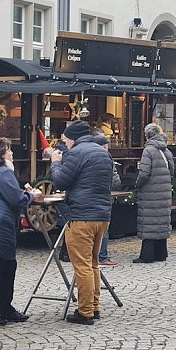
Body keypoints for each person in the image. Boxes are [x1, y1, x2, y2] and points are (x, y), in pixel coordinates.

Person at [50, 120, 113, 325]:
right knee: (93, 263)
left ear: (72, 138)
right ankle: (94, 306)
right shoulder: (103, 153)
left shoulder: (76, 153)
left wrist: (55, 163)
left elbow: (60, 181)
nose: (65, 144)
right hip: (102, 215)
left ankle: (85, 311)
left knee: (82, 266)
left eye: (66, 140)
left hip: (82, 215)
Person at [0, 137, 40, 326]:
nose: (12, 153)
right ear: (2, 153)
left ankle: (4, 308)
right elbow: (16, 199)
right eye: (9, 150)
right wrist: (31, 195)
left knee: (5, 267)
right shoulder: (4, 173)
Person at [133, 123, 175, 264]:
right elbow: (172, 171)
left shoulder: (148, 151)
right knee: (161, 220)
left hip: (150, 192)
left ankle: (147, 255)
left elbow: (144, 173)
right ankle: (161, 253)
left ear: (147, 136)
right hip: (164, 191)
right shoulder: (166, 150)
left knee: (149, 220)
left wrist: (137, 184)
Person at [89, 127, 122, 267]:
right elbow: (115, 182)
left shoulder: (85, 156)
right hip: (102, 199)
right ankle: (101, 256)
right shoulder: (106, 158)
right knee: (104, 229)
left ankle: (93, 256)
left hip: (88, 200)